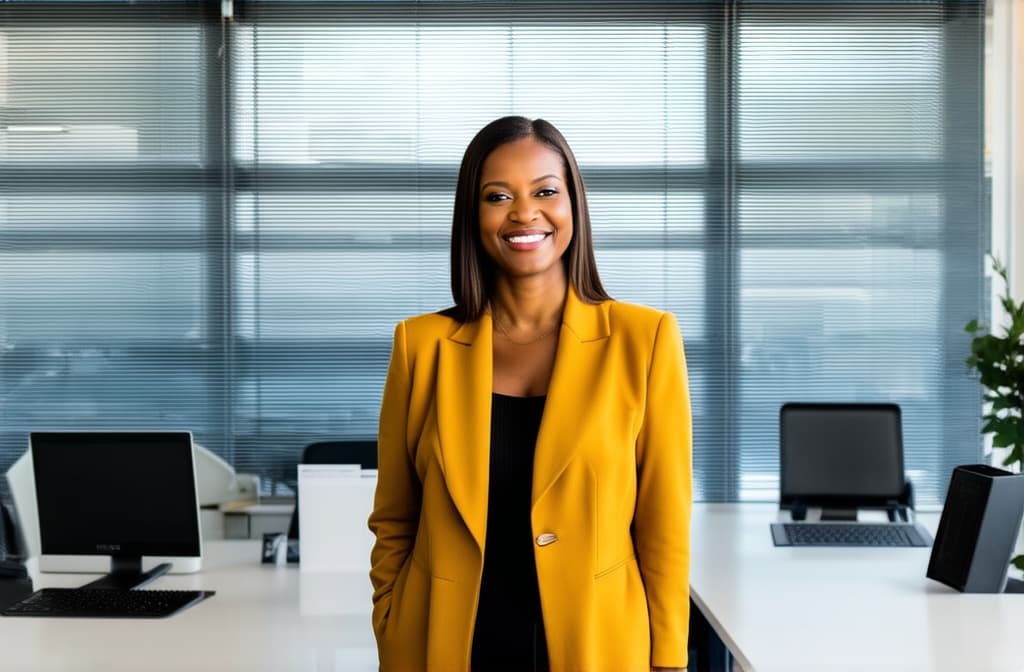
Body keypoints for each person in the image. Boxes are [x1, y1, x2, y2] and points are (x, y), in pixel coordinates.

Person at [368, 116, 692, 672]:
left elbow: (662, 524)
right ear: (473, 215)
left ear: (573, 206)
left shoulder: (645, 340)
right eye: (499, 196)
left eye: (545, 191)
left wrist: (668, 657)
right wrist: (391, 622)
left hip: (596, 645)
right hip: (446, 645)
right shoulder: (420, 346)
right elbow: (395, 518)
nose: (524, 213)